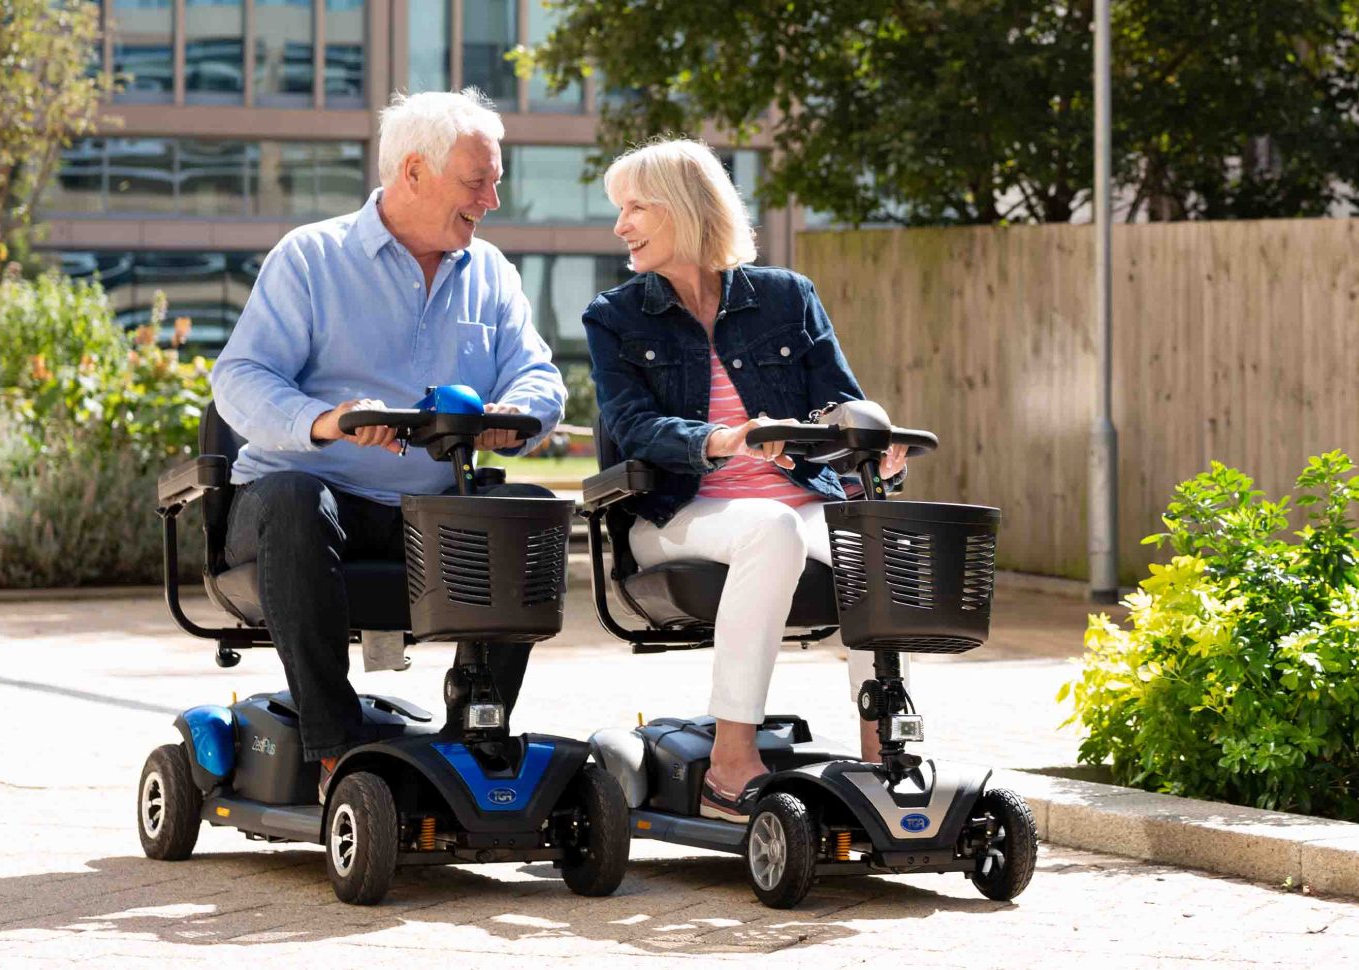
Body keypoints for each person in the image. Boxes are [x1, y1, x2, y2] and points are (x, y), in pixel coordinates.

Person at [210, 89, 565, 791]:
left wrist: (513, 414)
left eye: (496, 180)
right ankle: (336, 748)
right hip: (300, 507)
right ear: (413, 173)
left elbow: (540, 379)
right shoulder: (310, 258)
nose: (492, 198)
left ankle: (475, 736)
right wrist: (325, 420)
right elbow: (239, 377)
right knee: (294, 497)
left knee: (524, 505)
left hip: (422, 518)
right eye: (477, 182)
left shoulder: (490, 273)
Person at [581, 139, 905, 822]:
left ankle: (886, 755)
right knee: (770, 527)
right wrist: (721, 440)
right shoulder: (615, 317)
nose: (621, 226)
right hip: (676, 512)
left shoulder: (788, 299)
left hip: (798, 499)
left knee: (874, 539)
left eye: (636, 207)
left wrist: (871, 447)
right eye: (620, 209)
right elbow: (634, 426)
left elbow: (839, 404)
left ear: (687, 210)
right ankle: (730, 764)